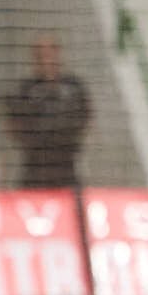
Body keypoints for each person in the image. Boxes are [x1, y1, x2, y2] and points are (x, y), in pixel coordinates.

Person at [9, 36, 90, 189]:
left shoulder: (73, 86)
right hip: (35, 169)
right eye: (40, 54)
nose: (45, 58)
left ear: (57, 53)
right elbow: (16, 124)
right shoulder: (26, 89)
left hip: (67, 167)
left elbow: (85, 117)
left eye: (49, 52)